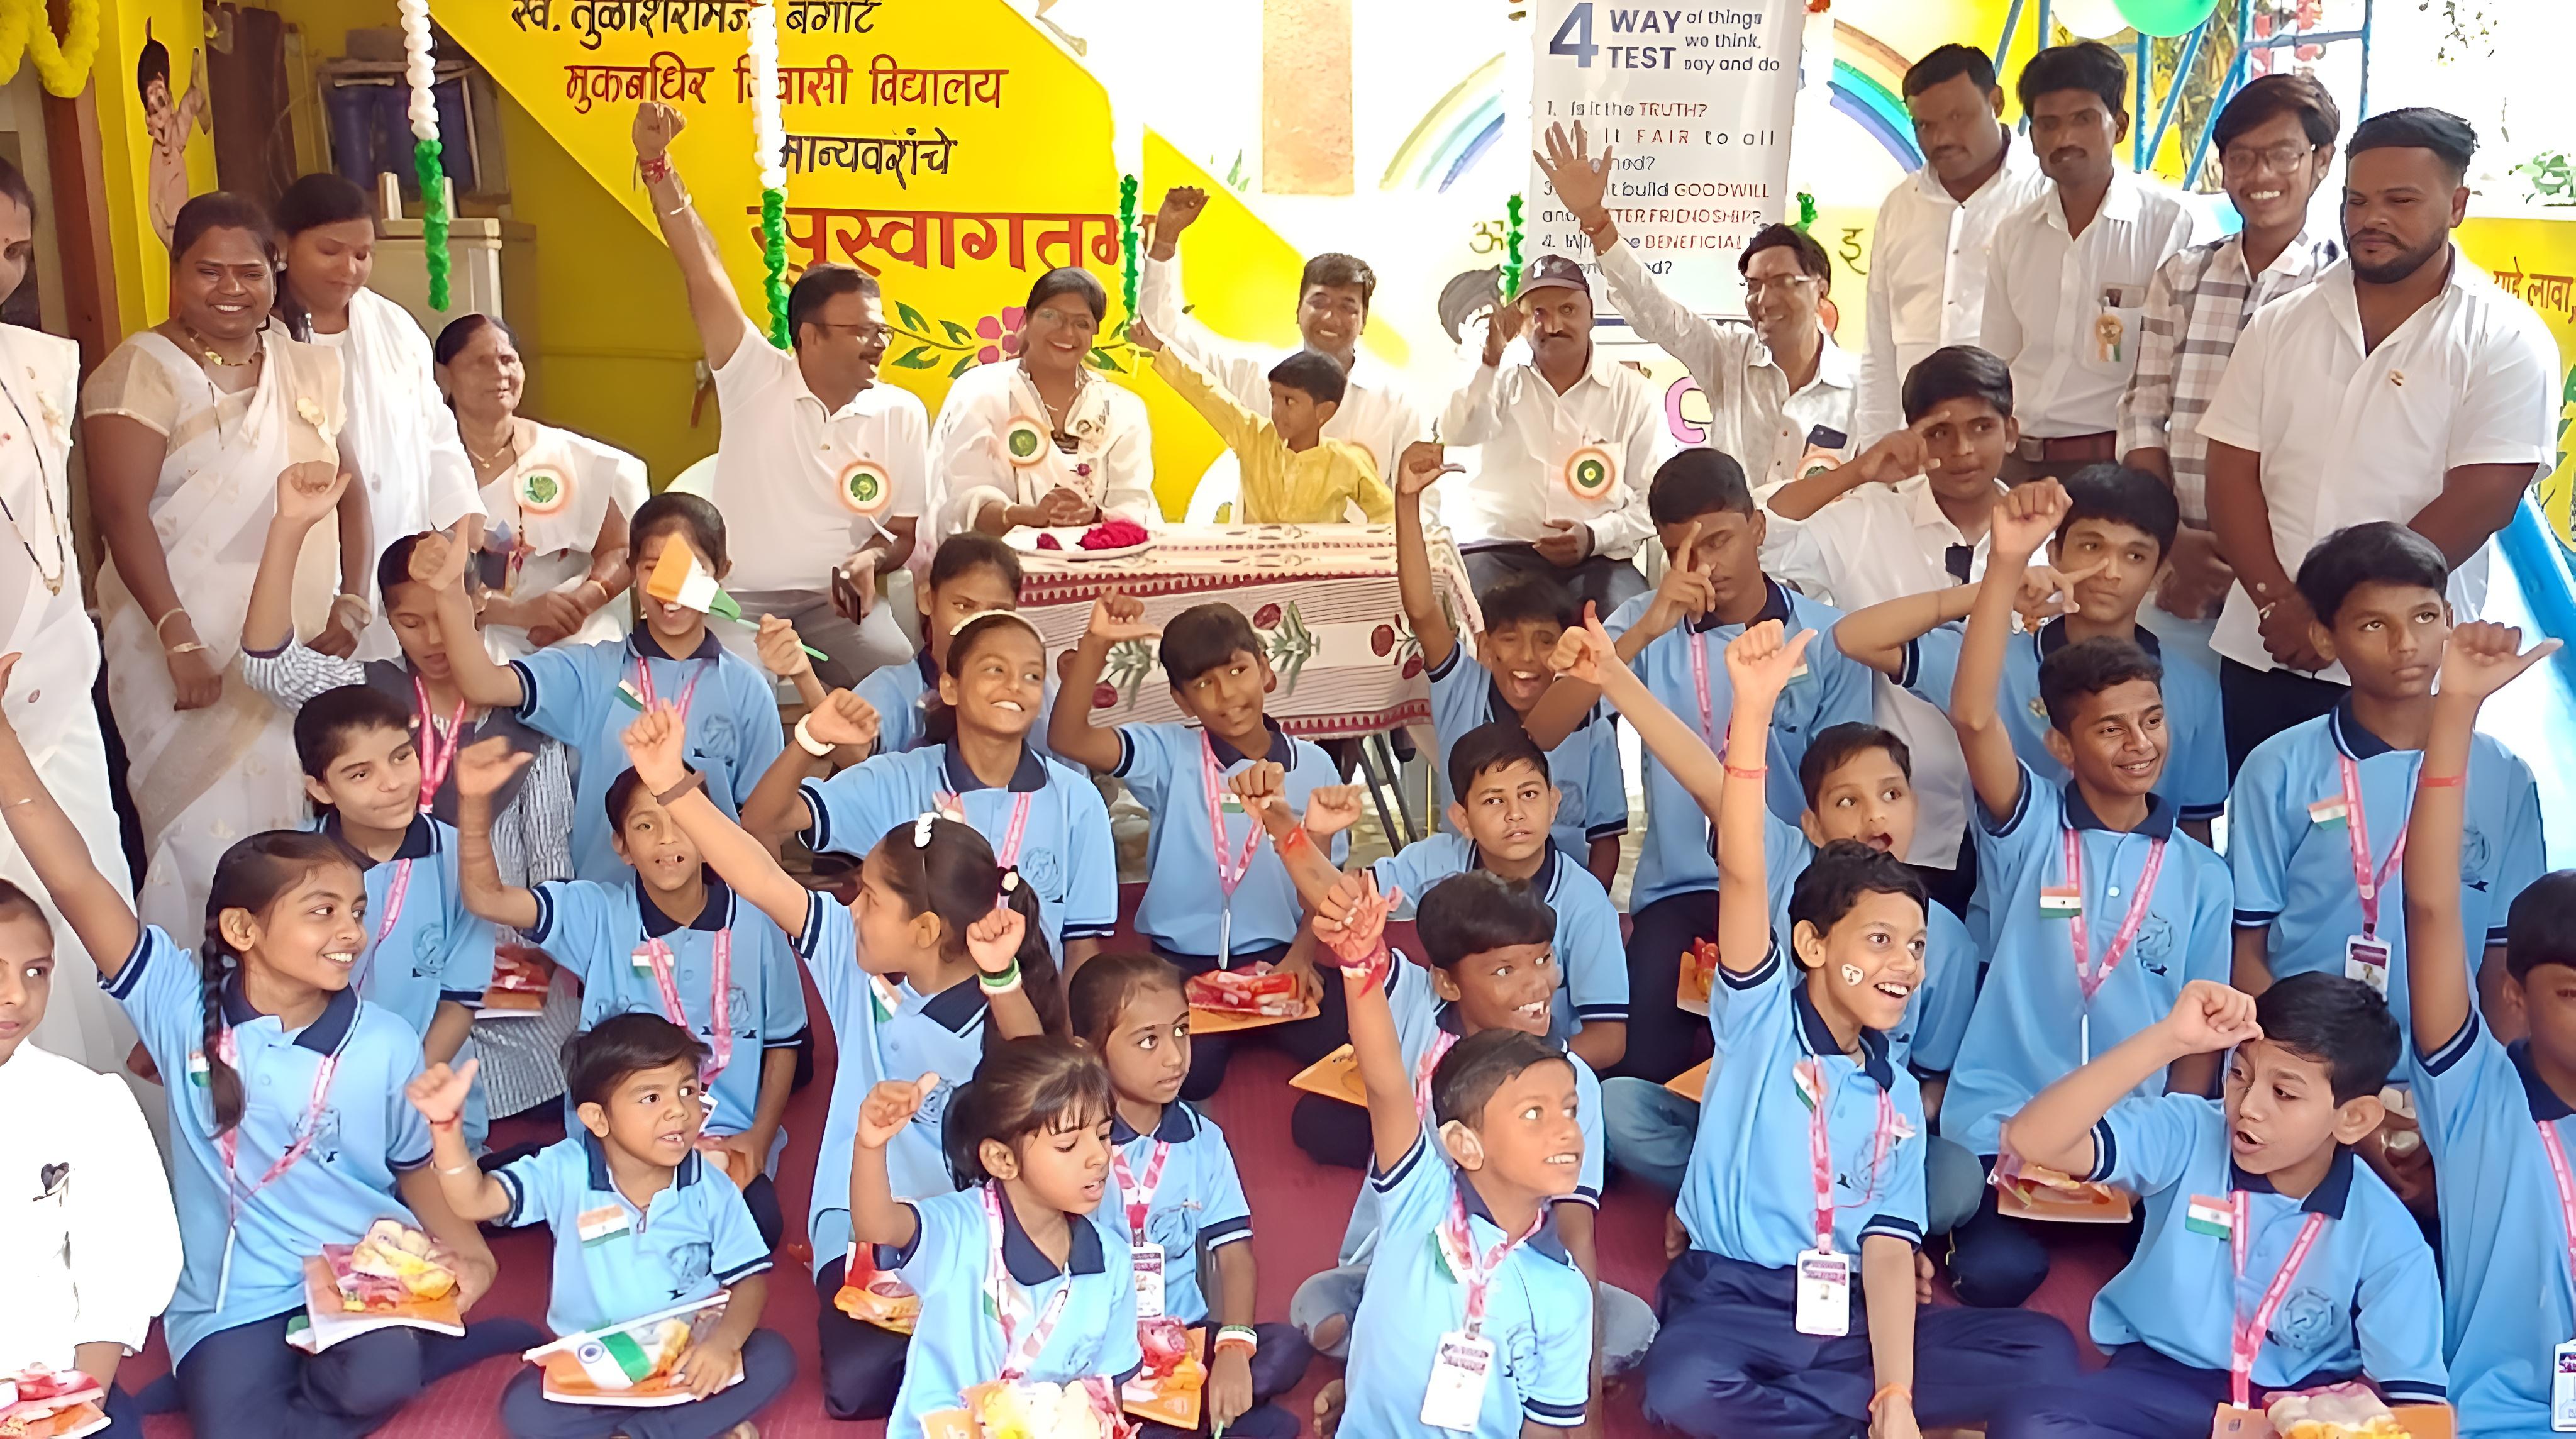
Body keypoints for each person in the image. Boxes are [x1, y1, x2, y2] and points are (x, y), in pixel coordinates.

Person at [0, 655, 536, 1437]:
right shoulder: (181, 1007)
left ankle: (412, 1352)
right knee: (237, 1427)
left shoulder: (385, 1041)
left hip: (363, 1278)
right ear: (242, 929)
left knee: (372, 1381)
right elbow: (74, 874)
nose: (350, 931)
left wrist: (469, 1254)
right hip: (232, 1297)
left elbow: (415, 1167)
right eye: (321, 912)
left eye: (355, 909)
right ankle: (388, 1363)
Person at [1629, 619, 2078, 1439]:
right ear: (1810, 945)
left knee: (2044, 1349)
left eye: (1912, 946)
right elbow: (1739, 863)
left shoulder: (1896, 1090)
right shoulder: (1761, 1011)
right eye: (1879, 943)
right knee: (1686, 1384)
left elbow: (1883, 1247)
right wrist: (1755, 711)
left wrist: (1896, 1398)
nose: (1905, 965)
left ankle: (1831, 1412)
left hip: (1847, 1311)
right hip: (1737, 1295)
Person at [625, 698, 1054, 1421]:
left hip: (966, 1228)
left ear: (922, 928)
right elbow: (757, 872)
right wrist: (670, 784)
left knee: (1001, 1362)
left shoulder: (998, 995)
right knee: (858, 1384)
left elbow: (1037, 1070)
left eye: (871, 899)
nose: (851, 905)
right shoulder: (850, 961)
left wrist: (1002, 977)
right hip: (857, 1221)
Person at [1560, 618, 1974, 1230]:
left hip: (1860, 1141)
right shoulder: (1777, 859)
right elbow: (1703, 774)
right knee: (1619, 1104)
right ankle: (1783, 1200)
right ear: (1810, 823)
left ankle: (1761, 1197)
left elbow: (1933, 1078)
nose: (1872, 814)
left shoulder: (1945, 939)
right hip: (1751, 1116)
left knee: (1960, 1177)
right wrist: (1614, 678)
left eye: (1892, 794)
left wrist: (1893, 1128)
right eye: (1846, 801)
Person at [1937, 479, 2233, 1309]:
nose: (2139, 745)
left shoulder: (2203, 875)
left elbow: (2202, 1037)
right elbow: (1971, 717)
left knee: (2190, 1268)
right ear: (2062, 747)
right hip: (2006, 1119)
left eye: (2151, 721)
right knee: (1996, 1273)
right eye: (2110, 729)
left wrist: (2176, 1144)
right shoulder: (2028, 828)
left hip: (2125, 1135)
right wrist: (2004, 563)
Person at [2200, 107, 2560, 767]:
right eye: (2357, 200)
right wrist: (2281, 603)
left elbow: (2484, 499)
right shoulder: (2282, 322)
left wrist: (2331, 610)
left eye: (2400, 200)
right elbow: (2229, 470)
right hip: (2266, 641)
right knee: (2266, 838)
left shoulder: (2505, 338)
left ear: (2455, 204)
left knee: (2392, 853)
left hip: (2404, 665)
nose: (2372, 218)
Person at [82, 192, 374, 943]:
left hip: (294, 656)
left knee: (298, 836)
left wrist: (352, 598)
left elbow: (351, 490)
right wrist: (179, 639)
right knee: (196, 842)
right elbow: (121, 513)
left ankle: (289, 998)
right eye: (208, 271)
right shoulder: (137, 372)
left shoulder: (306, 370)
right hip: (182, 653)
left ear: (273, 273)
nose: (231, 288)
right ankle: (195, 1015)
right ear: (176, 272)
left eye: (249, 271)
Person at [243, 482, 582, 1121]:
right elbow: (268, 666)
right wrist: (289, 525)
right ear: (387, 619)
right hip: (369, 968)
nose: (431, 637)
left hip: (501, 976)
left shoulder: (525, 714)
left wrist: (521, 947)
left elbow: (551, 874)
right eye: (409, 620)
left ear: (479, 600)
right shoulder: (369, 691)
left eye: (444, 612)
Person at [1988, 977, 2446, 1436]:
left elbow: (2417, 1408)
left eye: (2283, 1093)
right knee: (2031, 1422)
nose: (2249, 1108)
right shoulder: (2187, 1133)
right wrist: (2169, 1039)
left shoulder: (2387, 1233)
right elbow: (2031, 1140)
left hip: (2294, 1413)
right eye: (2239, 1074)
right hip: (2162, 1382)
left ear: (2353, 1119)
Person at [1557, 449, 1877, 1082]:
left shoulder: (1825, 638)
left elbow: (1845, 784)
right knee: (1641, 1070)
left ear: (1757, 528)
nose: (1706, 565)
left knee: (1786, 1066)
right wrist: (1646, 628)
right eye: (1683, 550)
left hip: (1791, 889)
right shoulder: (1647, 627)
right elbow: (1547, 724)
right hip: (1681, 890)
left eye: (1722, 540)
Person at [452, 734, 806, 1246]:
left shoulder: (756, 922)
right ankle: (560, 1173)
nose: (667, 841)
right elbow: (487, 897)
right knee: (489, 1204)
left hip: (715, 1137)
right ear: (621, 845)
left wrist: (758, 1138)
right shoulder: (596, 915)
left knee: (759, 1227)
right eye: (645, 826)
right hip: (614, 1141)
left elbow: (783, 1043)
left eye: (682, 823)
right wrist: (475, 805)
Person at [633, 101, 926, 689]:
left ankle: (870, 783)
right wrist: (656, 166)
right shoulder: (752, 375)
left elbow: (903, 533)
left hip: (837, 603)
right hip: (739, 600)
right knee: (727, 700)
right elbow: (702, 269)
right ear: (809, 337)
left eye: (883, 331)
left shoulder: (901, 412)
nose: (879, 344)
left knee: (900, 683)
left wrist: (869, 559)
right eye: (862, 332)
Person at [408, 1015, 795, 1439]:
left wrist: (723, 1346)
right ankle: (691, 1426)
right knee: (524, 1407)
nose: (679, 1111)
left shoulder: (711, 1183)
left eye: (688, 1090)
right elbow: (474, 1200)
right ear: (597, 1118)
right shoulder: (564, 1169)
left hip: (689, 1351)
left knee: (772, 1357)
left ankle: (638, 1434)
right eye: (651, 1098)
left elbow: (751, 1280)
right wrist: (446, 1132)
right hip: (597, 1361)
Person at [1307, 874, 1597, 1438]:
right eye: (1534, 1115)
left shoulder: (1565, 1294)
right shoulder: (1421, 1198)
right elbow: (1387, 1086)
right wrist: (1359, 963)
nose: (1567, 1130)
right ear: (1463, 1143)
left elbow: (1547, 1429)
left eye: (1568, 1110)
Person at [2229, 523, 2543, 1037]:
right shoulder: (2277, 768)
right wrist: (2295, 1070)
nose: (2405, 645)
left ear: (2449, 619)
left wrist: (2485, 1089)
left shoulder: (2505, 776)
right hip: (2310, 1072)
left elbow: (2505, 954)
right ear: (2324, 638)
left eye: (2423, 618)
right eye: (2374, 625)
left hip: (2449, 1075)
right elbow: (2247, 950)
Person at [1838, 462, 2228, 845]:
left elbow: (2197, 828)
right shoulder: (1992, 659)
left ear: (2159, 572)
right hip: (2012, 894)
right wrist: (1998, 586)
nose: (2110, 571)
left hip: (2146, 900)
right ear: (2054, 553)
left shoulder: (2194, 686)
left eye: (2135, 556)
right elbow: (1855, 637)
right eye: (2092, 546)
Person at [1760, 343, 2021, 910]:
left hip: (2019, 828)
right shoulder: (1869, 520)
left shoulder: (2043, 533)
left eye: (1982, 427)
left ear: (2013, 431)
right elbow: (1762, 538)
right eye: (1940, 433)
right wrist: (1857, 472)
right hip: (1896, 834)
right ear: (1912, 438)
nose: (1963, 450)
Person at [2397, 620, 2576, 1439]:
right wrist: (2457, 709)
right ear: (2515, 994)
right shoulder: (2478, 1097)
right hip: (2495, 1424)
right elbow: (2431, 908)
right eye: (2573, 993)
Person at [1049, 596, 1343, 1094]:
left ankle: (1269, 1016)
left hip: (1277, 955)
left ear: (1266, 670)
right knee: (1186, 1074)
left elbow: (1326, 885)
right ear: (1182, 700)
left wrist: (1301, 956)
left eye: (1237, 671)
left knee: (1348, 1034)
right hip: (1179, 962)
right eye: (1204, 684)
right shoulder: (1168, 754)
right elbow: (1069, 737)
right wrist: (1095, 644)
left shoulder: (1314, 766)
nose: (1227, 694)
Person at [418, 494, 792, 884]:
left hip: (713, 928)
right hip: (607, 917)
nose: (672, 588)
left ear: (722, 573)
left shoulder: (747, 689)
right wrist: (448, 595)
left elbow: (764, 826)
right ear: (632, 571)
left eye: (693, 570)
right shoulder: (592, 670)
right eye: (653, 568)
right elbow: (483, 684)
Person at [2115, 75, 2343, 662]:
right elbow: (2144, 415)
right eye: (2240, 158)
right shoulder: (2182, 277)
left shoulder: (2342, 289)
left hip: (2293, 575)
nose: (2259, 176)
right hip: (2178, 564)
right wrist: (2169, 539)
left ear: (2321, 161)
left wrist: (2260, 567)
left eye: (2280, 155)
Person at [1251, 723, 1628, 1075]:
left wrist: (1521, 1072)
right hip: (1437, 1049)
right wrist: (1307, 834)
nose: (1516, 814)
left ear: (1554, 803)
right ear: (1462, 818)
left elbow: (1609, 1041)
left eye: (1529, 794)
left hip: (1533, 1062)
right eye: (1494, 802)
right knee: (1322, 1121)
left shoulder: (1586, 904)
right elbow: (1336, 907)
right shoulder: (1435, 860)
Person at [747, 611, 1118, 969]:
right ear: (950, 687)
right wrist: (812, 738)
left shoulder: (1077, 801)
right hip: (919, 1021)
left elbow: (1081, 947)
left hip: (1031, 1022)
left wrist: (1063, 1035)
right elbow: (766, 819)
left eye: (1033, 675)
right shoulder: (897, 780)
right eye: (995, 669)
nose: (1015, 685)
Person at [0, 157, 143, 1073]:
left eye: (15, 250)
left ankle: (92, 1148)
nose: (2, 271)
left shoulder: (41, 360)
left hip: (53, 689)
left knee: (82, 907)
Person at [1069, 953, 1315, 1438]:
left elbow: (1234, 1254)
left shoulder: (1203, 1139)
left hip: (1185, 1337)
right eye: (1148, 1041)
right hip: (1096, 1343)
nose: (1175, 1057)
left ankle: (1182, 1413)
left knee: (1285, 1348)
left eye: (1182, 1030)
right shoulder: (1071, 1144)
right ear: (1090, 1052)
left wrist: (1232, 1348)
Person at [1540, 123, 1857, 497]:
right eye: (1754, 286)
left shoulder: (1861, 388)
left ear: (1820, 288)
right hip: (1734, 549)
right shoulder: (1728, 356)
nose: (1765, 300)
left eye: (1782, 282)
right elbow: (1658, 314)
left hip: (1823, 553)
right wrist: (1596, 220)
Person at [847, 1037, 1142, 1439]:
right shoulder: (961, 1229)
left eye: (1104, 1135)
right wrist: (870, 1145)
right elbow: (877, 1227)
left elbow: (1108, 1398)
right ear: (1002, 1160)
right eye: (1068, 1145)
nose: (1098, 1157)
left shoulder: (1112, 1261)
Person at [273, 172, 484, 664]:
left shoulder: (395, 326)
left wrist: (462, 531)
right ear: (284, 245)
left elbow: (437, 436)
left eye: (363, 254)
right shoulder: (261, 335)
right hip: (302, 570)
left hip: (398, 566)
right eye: (330, 251)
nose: (349, 268)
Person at [0, 871, 182, 1438]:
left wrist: (69, 1407)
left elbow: (120, 1263)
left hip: (50, 1381)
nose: (18, 996)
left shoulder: (85, 1101)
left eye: (37, 972)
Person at [1396, 443, 1624, 884]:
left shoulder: (1590, 715)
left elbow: (1607, 839)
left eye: (1544, 641)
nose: (1526, 658)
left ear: (1565, 649)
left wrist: (1584, 912)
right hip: (1470, 896)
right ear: (1484, 646)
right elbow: (1423, 611)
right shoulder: (1462, 687)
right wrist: (1406, 501)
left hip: (1560, 902)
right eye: (1509, 639)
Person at [1979, 42, 2202, 482]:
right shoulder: (2015, 234)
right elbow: (1995, 363)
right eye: (2048, 124)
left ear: (2118, 126)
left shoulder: (2170, 227)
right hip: (2015, 461)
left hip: (2113, 468)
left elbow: (2179, 379)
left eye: (2083, 120)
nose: (2064, 139)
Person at [291, 686, 494, 1136]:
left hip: (426, 1092)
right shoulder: (289, 867)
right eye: (360, 774)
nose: (392, 782)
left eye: (402, 757)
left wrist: (405, 1089)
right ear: (320, 789)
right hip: (320, 1097)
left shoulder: (462, 857)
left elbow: (461, 998)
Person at [1141, 186, 1429, 497]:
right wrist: (1166, 242)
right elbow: (1164, 334)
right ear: (1298, 310)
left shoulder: (1396, 404)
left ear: (1363, 321)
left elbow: (1420, 502)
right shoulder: (1255, 376)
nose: (1331, 318)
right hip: (1263, 545)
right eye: (1319, 302)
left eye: (1347, 307)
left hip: (1361, 548)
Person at [1437, 254, 1662, 616]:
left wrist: (1594, 536)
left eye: (1568, 310)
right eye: (1537, 314)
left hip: (1598, 559)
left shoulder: (1632, 394)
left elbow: (1653, 501)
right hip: (1498, 553)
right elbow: (1457, 432)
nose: (1553, 325)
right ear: (1522, 324)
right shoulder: (1499, 376)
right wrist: (1490, 361)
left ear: (1592, 316)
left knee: (1629, 620)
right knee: (1472, 618)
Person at [1855, 43, 2045, 448]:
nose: (1941, 138)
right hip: (1917, 454)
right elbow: (1879, 346)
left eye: (1957, 117)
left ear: (1995, 101)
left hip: (2019, 448)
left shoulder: (2045, 195)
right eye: (1924, 125)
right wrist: (1876, 450)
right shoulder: (1900, 207)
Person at [435, 313, 645, 660]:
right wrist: (517, 614)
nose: (500, 373)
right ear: (445, 376)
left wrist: (582, 602)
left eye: (508, 360)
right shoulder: (428, 463)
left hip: (575, 630)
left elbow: (620, 549)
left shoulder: (565, 454)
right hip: (469, 634)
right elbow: (414, 574)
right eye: (481, 362)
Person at [930, 267, 1155, 546]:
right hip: (995, 571)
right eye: (1051, 316)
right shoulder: (981, 392)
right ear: (1027, 320)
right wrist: (1027, 516)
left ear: (1094, 333)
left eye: (1081, 323)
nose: (1067, 332)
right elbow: (964, 501)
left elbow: (1134, 506)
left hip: (1101, 569)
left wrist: (1095, 515)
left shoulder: (1124, 410)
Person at [1132, 319, 1392, 523]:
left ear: (1323, 412)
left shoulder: (1346, 461)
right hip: (1255, 573)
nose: (1277, 410)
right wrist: (1159, 350)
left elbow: (1387, 516)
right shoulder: (1252, 435)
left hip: (1319, 579)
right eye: (1274, 398)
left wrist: (1354, 556)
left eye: (1289, 401)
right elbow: (1205, 392)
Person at [855, 533, 1058, 761]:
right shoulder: (892, 689)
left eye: (996, 611)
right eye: (963, 606)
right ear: (927, 600)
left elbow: (1070, 781)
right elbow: (851, 756)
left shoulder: (1033, 689)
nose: (978, 623)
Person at [136, 23, 206, 247]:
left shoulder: (174, 136)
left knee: (194, 100)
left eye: (163, 102)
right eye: (154, 111)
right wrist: (168, 240)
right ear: (148, 121)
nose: (161, 115)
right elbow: (154, 206)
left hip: (185, 223)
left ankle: (198, 90)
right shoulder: (159, 156)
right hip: (174, 229)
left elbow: (184, 115)